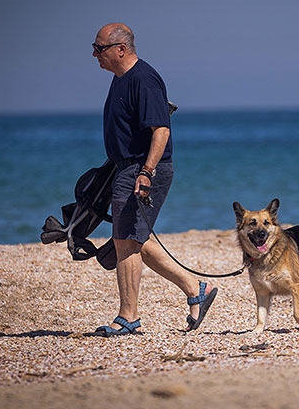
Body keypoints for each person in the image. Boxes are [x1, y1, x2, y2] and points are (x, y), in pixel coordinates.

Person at [91, 23, 217, 335]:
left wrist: (146, 172)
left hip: (142, 169)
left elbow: (161, 130)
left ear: (121, 49)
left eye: (99, 48)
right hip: (126, 168)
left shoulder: (143, 79)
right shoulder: (120, 79)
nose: (94, 54)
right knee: (133, 237)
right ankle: (195, 287)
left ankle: (128, 317)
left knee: (127, 241)